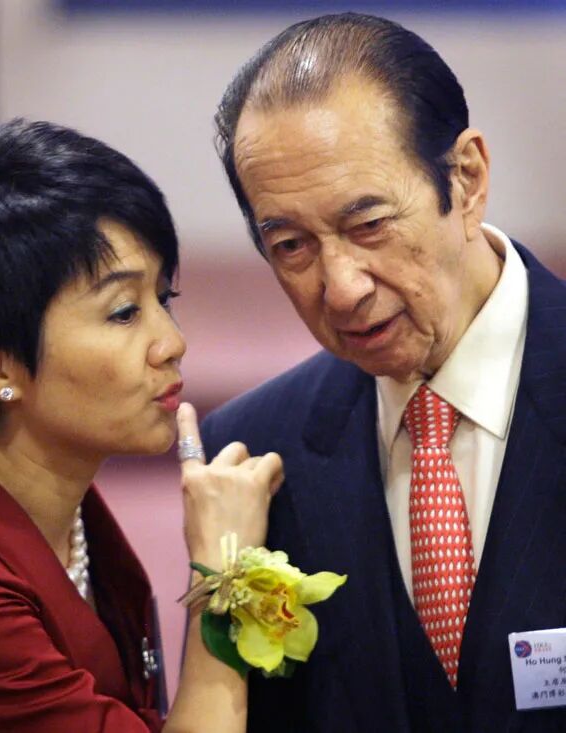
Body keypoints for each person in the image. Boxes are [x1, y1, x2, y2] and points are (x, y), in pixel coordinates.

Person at [201, 12, 566, 733]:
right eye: (291, 245)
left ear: (466, 180)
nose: (341, 288)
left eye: (369, 225)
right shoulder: (256, 454)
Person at [0, 118, 283, 732]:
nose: (172, 343)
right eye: (122, 313)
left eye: (163, 300)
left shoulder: (70, 511)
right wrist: (226, 573)